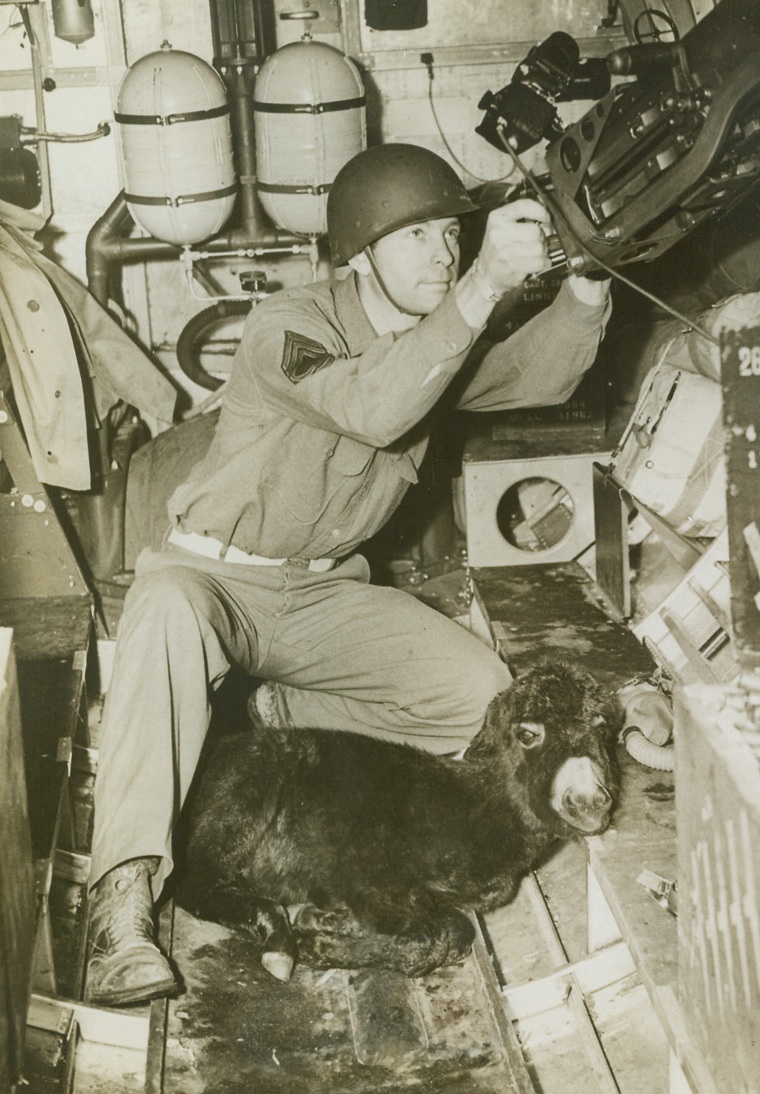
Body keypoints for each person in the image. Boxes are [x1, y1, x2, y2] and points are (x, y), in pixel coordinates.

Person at [85, 142, 612, 1006]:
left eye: (452, 235)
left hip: (324, 590)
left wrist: (590, 276)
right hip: (215, 576)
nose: (444, 255)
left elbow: (536, 376)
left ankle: (266, 715)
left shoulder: (435, 334)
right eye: (418, 239)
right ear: (360, 248)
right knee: (164, 611)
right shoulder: (289, 326)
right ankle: (122, 906)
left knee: (480, 692)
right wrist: (482, 286)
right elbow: (372, 407)